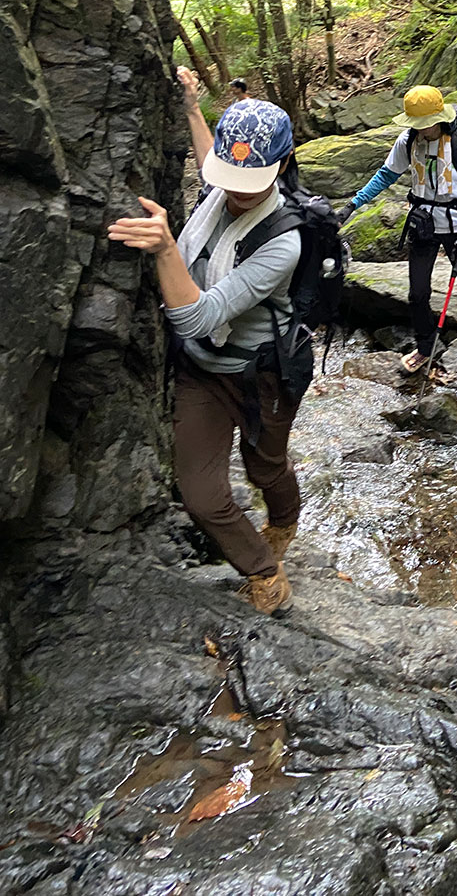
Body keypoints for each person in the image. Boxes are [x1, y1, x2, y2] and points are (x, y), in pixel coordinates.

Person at [108, 67, 304, 615]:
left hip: (266, 372)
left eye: (253, 181)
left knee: (265, 468)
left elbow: (197, 316)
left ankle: (284, 520)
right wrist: (194, 109)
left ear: (283, 165)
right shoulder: (229, 178)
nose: (236, 192)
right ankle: (265, 571)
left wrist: (168, 248)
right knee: (200, 495)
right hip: (203, 369)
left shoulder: (285, 242)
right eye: (230, 175)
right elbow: (214, 169)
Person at [340, 85, 457, 373]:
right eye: (416, 124)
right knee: (417, 294)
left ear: (439, 118)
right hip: (423, 223)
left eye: (424, 124)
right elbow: (386, 175)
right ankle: (425, 347)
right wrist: (352, 205)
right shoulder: (408, 139)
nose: (421, 130)